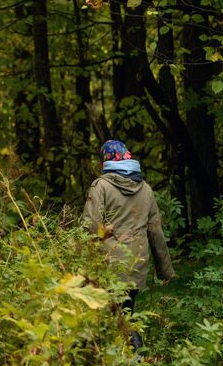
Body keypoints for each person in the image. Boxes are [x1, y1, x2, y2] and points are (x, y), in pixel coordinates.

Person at [83, 139, 175, 353]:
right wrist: (165, 271)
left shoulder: (101, 186)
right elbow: (155, 231)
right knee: (125, 312)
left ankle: (134, 353)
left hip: (108, 264)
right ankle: (129, 354)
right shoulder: (146, 189)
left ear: (105, 160)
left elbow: (89, 227)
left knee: (112, 317)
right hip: (137, 264)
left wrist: (98, 236)